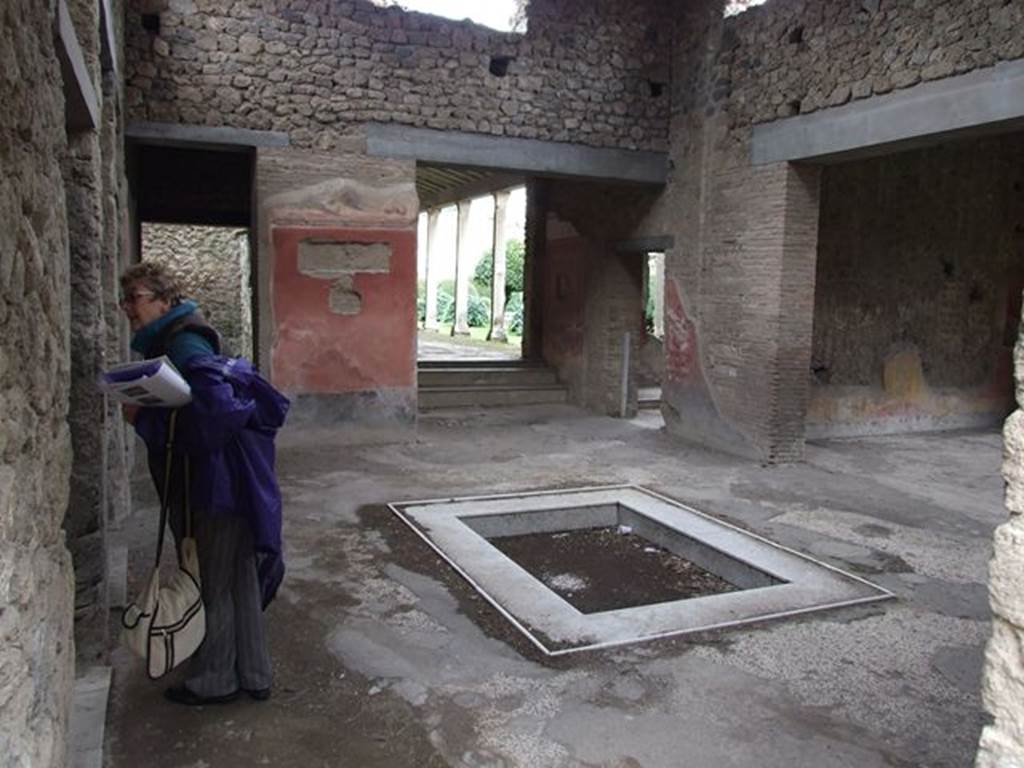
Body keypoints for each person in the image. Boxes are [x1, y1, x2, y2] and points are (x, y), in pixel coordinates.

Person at [119, 261, 288, 706]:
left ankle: (215, 679)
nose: (127, 308)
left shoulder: (185, 342)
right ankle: (253, 672)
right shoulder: (182, 336)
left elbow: (217, 412)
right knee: (237, 575)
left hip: (213, 483)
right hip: (231, 479)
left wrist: (145, 419)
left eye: (135, 298)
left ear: (164, 300)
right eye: (125, 299)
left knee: (210, 579)